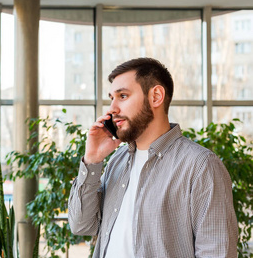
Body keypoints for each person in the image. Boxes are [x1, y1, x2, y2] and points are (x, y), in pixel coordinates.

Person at [68, 58, 238, 258]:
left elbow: (216, 252)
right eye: (111, 98)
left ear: (156, 96)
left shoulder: (201, 166)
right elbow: (81, 225)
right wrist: (92, 160)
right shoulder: (117, 160)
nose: (112, 108)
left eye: (123, 96)